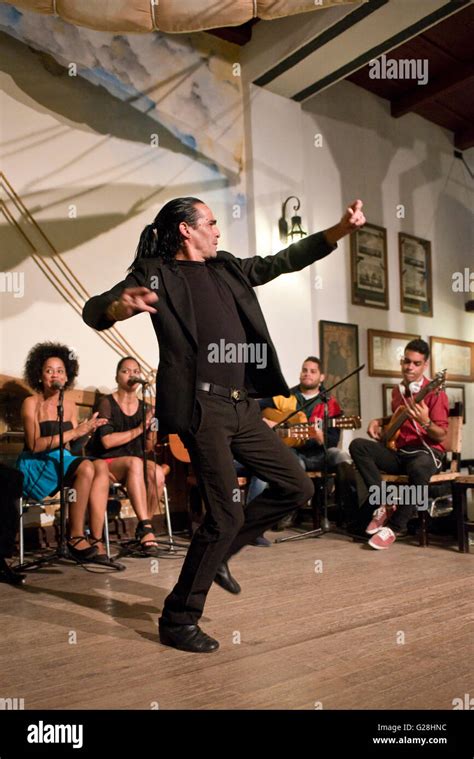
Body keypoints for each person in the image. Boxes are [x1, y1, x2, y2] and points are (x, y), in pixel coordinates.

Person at [83, 196, 366, 652]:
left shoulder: (228, 268)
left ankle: (219, 555)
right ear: (185, 230)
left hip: (243, 407)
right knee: (225, 513)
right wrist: (119, 307)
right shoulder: (156, 273)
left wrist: (338, 230)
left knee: (297, 486)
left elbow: (284, 260)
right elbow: (94, 310)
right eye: (211, 223)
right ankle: (178, 618)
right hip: (200, 408)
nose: (217, 231)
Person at [17, 342, 113, 565]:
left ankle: (96, 538)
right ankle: (75, 535)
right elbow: (34, 445)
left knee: (99, 466)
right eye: (49, 370)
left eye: (60, 370)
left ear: (66, 376)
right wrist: (75, 431)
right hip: (35, 464)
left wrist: (87, 431)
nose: (55, 375)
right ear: (39, 376)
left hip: (62, 460)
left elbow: (73, 448)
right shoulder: (30, 403)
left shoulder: (68, 405)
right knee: (87, 466)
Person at [349, 339, 449, 550]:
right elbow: (398, 416)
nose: (410, 367)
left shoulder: (436, 393)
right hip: (400, 453)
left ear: (425, 365)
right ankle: (385, 501)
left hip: (426, 453)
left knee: (419, 470)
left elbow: (441, 436)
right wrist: (379, 421)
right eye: (406, 361)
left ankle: (395, 527)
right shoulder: (398, 392)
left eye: (416, 363)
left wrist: (425, 421)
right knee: (358, 445)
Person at [260, 356, 351, 529]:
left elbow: (332, 440)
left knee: (341, 456)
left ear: (321, 377)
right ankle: (291, 510)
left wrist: (320, 438)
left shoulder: (329, 404)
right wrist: (269, 423)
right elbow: (256, 406)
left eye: (312, 371)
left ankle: (341, 512)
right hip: (294, 451)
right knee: (295, 464)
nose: (307, 374)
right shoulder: (286, 395)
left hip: (319, 453)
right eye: (304, 370)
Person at [87, 356, 166, 555]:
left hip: (136, 463)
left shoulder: (145, 407)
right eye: (126, 371)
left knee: (157, 473)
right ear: (117, 377)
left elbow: (148, 447)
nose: (132, 374)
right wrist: (140, 428)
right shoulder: (106, 403)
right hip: (108, 462)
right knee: (134, 463)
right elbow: (107, 441)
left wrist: (151, 429)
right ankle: (147, 528)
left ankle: (143, 529)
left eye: (136, 371)